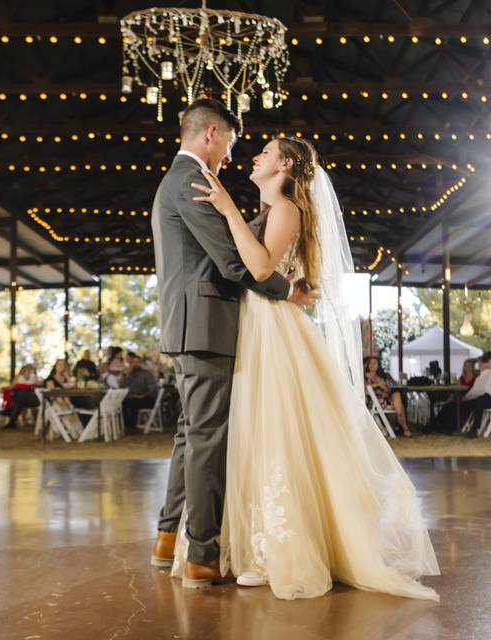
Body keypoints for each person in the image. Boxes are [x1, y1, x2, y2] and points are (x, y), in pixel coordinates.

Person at [174, 127, 439, 599]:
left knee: (276, 429)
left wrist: (225, 208)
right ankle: (254, 542)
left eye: (266, 153)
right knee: (253, 431)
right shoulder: (268, 210)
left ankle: (279, 548)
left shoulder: (287, 209)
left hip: (275, 330)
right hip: (256, 323)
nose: (255, 157)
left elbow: (259, 268)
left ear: (286, 167)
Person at [149, 99, 318, 590]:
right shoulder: (192, 180)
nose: (236, 151)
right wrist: (288, 291)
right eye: (232, 140)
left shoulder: (186, 179)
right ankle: (201, 554)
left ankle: (167, 537)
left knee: (190, 432)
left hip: (196, 323)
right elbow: (232, 261)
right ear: (212, 134)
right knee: (205, 437)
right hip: (204, 323)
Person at [363, 356, 413, 437]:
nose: (372, 365)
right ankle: (404, 427)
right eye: (370, 363)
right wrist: (378, 384)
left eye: (375, 363)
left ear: (378, 365)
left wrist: (385, 391)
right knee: (400, 405)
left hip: (385, 398)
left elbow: (388, 389)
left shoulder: (382, 377)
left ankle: (400, 417)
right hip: (375, 400)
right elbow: (364, 386)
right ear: (368, 365)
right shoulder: (365, 376)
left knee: (397, 394)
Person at [120, 352, 159, 431]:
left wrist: (142, 395)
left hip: (147, 398)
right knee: (123, 402)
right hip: (134, 397)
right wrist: (124, 375)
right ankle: (126, 426)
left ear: (140, 363)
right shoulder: (131, 375)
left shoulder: (147, 374)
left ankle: (132, 427)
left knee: (132, 403)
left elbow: (152, 389)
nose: (134, 364)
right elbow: (122, 386)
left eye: (136, 362)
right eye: (133, 363)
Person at [2, 364, 39, 430]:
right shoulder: (18, 378)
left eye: (30, 370)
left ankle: (10, 416)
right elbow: (11, 387)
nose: (28, 372)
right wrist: (2, 388)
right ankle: (11, 422)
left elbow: (39, 385)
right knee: (19, 399)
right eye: (26, 370)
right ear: (23, 371)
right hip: (20, 399)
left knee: (21, 395)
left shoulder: (33, 378)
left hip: (30, 399)